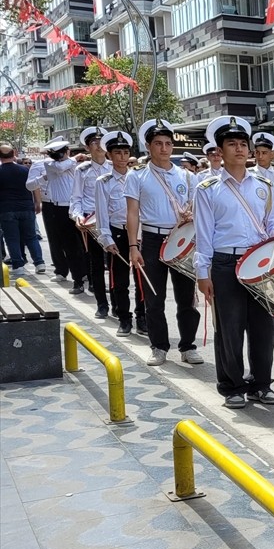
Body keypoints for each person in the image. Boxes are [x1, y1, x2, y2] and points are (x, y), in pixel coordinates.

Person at [193, 116, 274, 409]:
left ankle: (261, 384)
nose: (238, 149)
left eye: (242, 144)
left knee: (264, 326)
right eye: (231, 144)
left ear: (249, 150)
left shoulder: (264, 184)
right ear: (219, 151)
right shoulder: (207, 188)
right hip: (225, 264)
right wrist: (202, 273)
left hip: (260, 263)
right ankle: (232, 386)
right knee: (230, 328)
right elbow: (203, 234)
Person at [126, 119, 203, 367]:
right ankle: (159, 346)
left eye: (168, 143)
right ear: (148, 146)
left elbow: (196, 207)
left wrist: (192, 215)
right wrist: (133, 247)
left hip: (181, 239)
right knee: (154, 298)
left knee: (186, 297)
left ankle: (188, 346)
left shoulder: (187, 176)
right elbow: (132, 213)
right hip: (151, 239)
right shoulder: (136, 176)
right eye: (158, 143)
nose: (164, 148)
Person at [94, 131, 139, 336]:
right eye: (117, 153)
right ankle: (124, 318)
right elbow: (102, 212)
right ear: (109, 156)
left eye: (125, 152)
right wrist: (106, 238)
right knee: (119, 280)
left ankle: (143, 317)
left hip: (138, 234)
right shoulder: (103, 182)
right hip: (117, 233)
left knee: (141, 279)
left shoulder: (138, 177)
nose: (122, 157)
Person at [69, 126, 113, 316]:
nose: (98, 146)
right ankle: (102, 304)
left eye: (101, 142)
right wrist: (77, 216)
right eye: (94, 143)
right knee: (96, 263)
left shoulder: (115, 167)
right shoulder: (82, 170)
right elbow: (76, 198)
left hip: (113, 221)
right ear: (87, 148)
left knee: (114, 264)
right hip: (92, 222)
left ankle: (119, 304)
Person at [32, 136, 82, 286]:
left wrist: (74, 159)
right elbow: (60, 167)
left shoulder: (75, 163)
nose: (59, 156)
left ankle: (83, 272)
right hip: (58, 207)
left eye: (62, 152)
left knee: (79, 243)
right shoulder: (49, 163)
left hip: (75, 206)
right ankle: (65, 272)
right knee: (63, 242)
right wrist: (74, 159)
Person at [0, 144, 40, 278]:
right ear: (14, 154)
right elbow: (35, 187)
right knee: (31, 237)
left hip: (6, 209)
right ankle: (39, 263)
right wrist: (38, 202)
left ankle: (18, 265)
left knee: (12, 238)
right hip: (27, 207)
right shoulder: (25, 170)